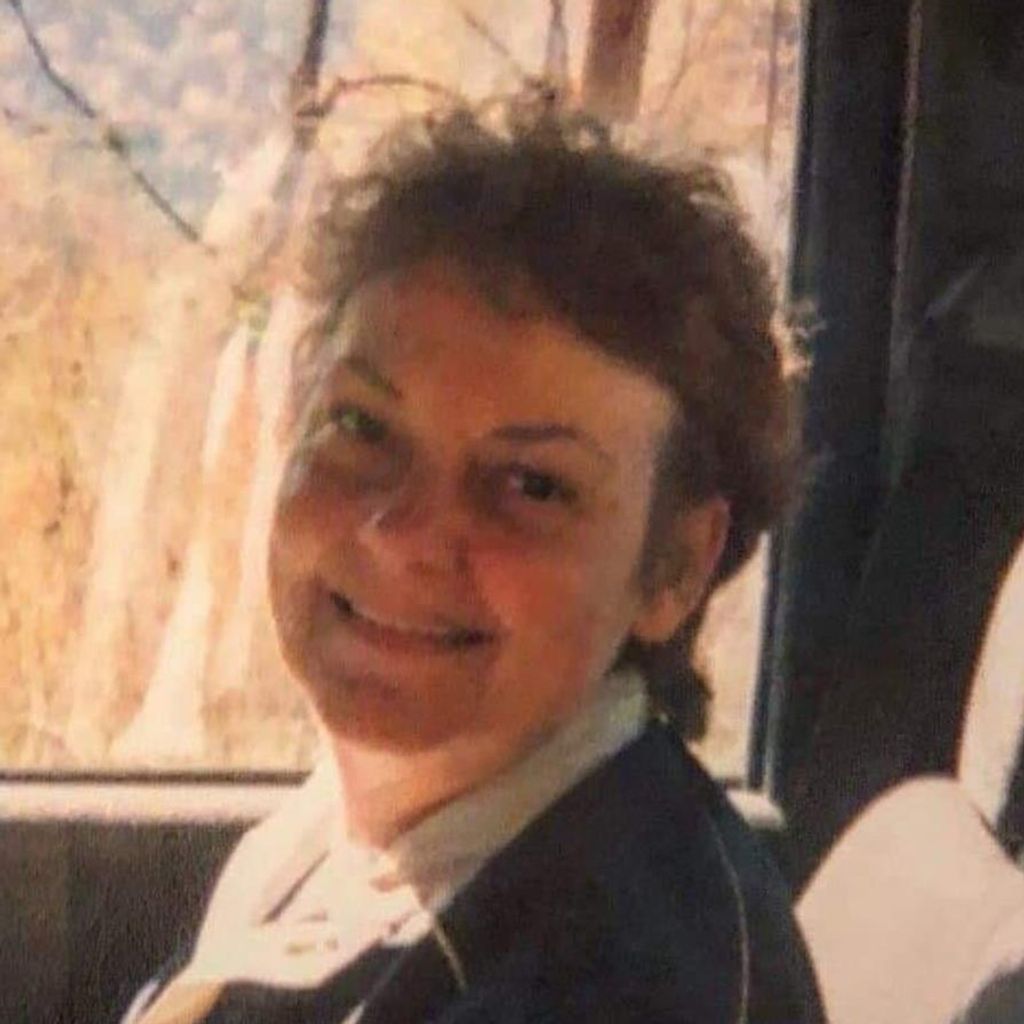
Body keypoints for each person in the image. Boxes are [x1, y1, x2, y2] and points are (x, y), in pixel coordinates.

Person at [122, 92, 824, 1024]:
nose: (400, 530)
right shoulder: (358, 840)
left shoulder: (629, 986)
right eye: (362, 426)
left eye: (532, 485)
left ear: (674, 571)